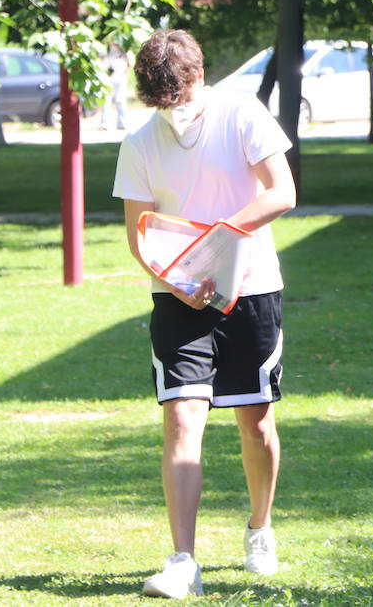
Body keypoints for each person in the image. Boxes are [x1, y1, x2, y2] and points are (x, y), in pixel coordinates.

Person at [112, 29, 296, 599]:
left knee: (256, 420)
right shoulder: (140, 142)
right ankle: (182, 558)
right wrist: (181, 277)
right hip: (179, 298)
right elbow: (139, 233)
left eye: (181, 97)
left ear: (198, 76)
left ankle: (260, 529)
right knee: (181, 418)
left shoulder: (242, 114)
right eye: (162, 102)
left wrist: (222, 240)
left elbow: (282, 192)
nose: (175, 111)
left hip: (252, 287)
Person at [101, 41, 131, 130]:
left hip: (120, 77)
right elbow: (100, 58)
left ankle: (122, 124)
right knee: (106, 101)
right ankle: (104, 124)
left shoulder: (124, 48)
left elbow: (130, 62)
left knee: (120, 101)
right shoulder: (105, 48)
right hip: (108, 78)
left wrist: (127, 72)